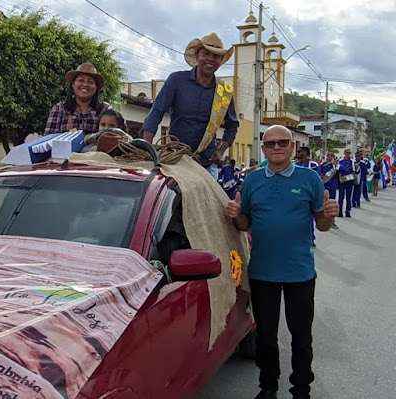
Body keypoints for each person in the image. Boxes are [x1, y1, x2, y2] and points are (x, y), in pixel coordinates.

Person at [225, 125, 339, 399]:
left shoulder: (310, 179)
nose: (276, 148)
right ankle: (268, 387)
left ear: (291, 147)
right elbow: (245, 224)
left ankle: (301, 389)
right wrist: (234, 214)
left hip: (300, 273)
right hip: (263, 273)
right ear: (263, 149)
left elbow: (321, 225)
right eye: (270, 143)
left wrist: (330, 215)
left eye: (282, 143)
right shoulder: (252, 181)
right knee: (266, 336)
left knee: (301, 337)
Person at [141, 33, 239, 178]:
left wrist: (220, 150)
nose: (210, 59)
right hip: (174, 159)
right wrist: (145, 147)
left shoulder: (225, 92)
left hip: (205, 163)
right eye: (206, 53)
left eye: (216, 56)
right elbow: (156, 112)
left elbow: (232, 125)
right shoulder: (176, 80)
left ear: (221, 60)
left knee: (213, 200)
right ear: (197, 55)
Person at [45, 63, 106, 135]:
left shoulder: (104, 110)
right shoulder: (59, 109)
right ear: (73, 84)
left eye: (90, 82)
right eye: (81, 80)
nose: (85, 84)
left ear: (96, 88)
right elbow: (48, 140)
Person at [295, 146, 320, 246]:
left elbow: (318, 180)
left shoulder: (314, 165)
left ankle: (311, 238)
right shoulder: (295, 165)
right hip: (297, 195)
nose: (298, 153)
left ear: (306, 153)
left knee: (309, 218)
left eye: (300, 151)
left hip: (310, 195)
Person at [321, 151, 339, 229]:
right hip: (325, 186)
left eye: (331, 156)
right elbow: (321, 175)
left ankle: (332, 221)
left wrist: (335, 166)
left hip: (332, 186)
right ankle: (323, 221)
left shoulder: (335, 166)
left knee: (331, 204)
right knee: (323, 204)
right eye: (328, 155)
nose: (329, 157)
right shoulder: (323, 165)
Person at [338, 149, 355, 218]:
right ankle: (340, 211)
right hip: (342, 181)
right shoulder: (340, 161)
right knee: (341, 197)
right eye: (346, 153)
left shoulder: (352, 162)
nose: (348, 154)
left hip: (349, 181)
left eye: (349, 153)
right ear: (344, 153)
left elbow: (354, 170)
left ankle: (348, 211)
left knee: (348, 197)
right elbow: (338, 170)